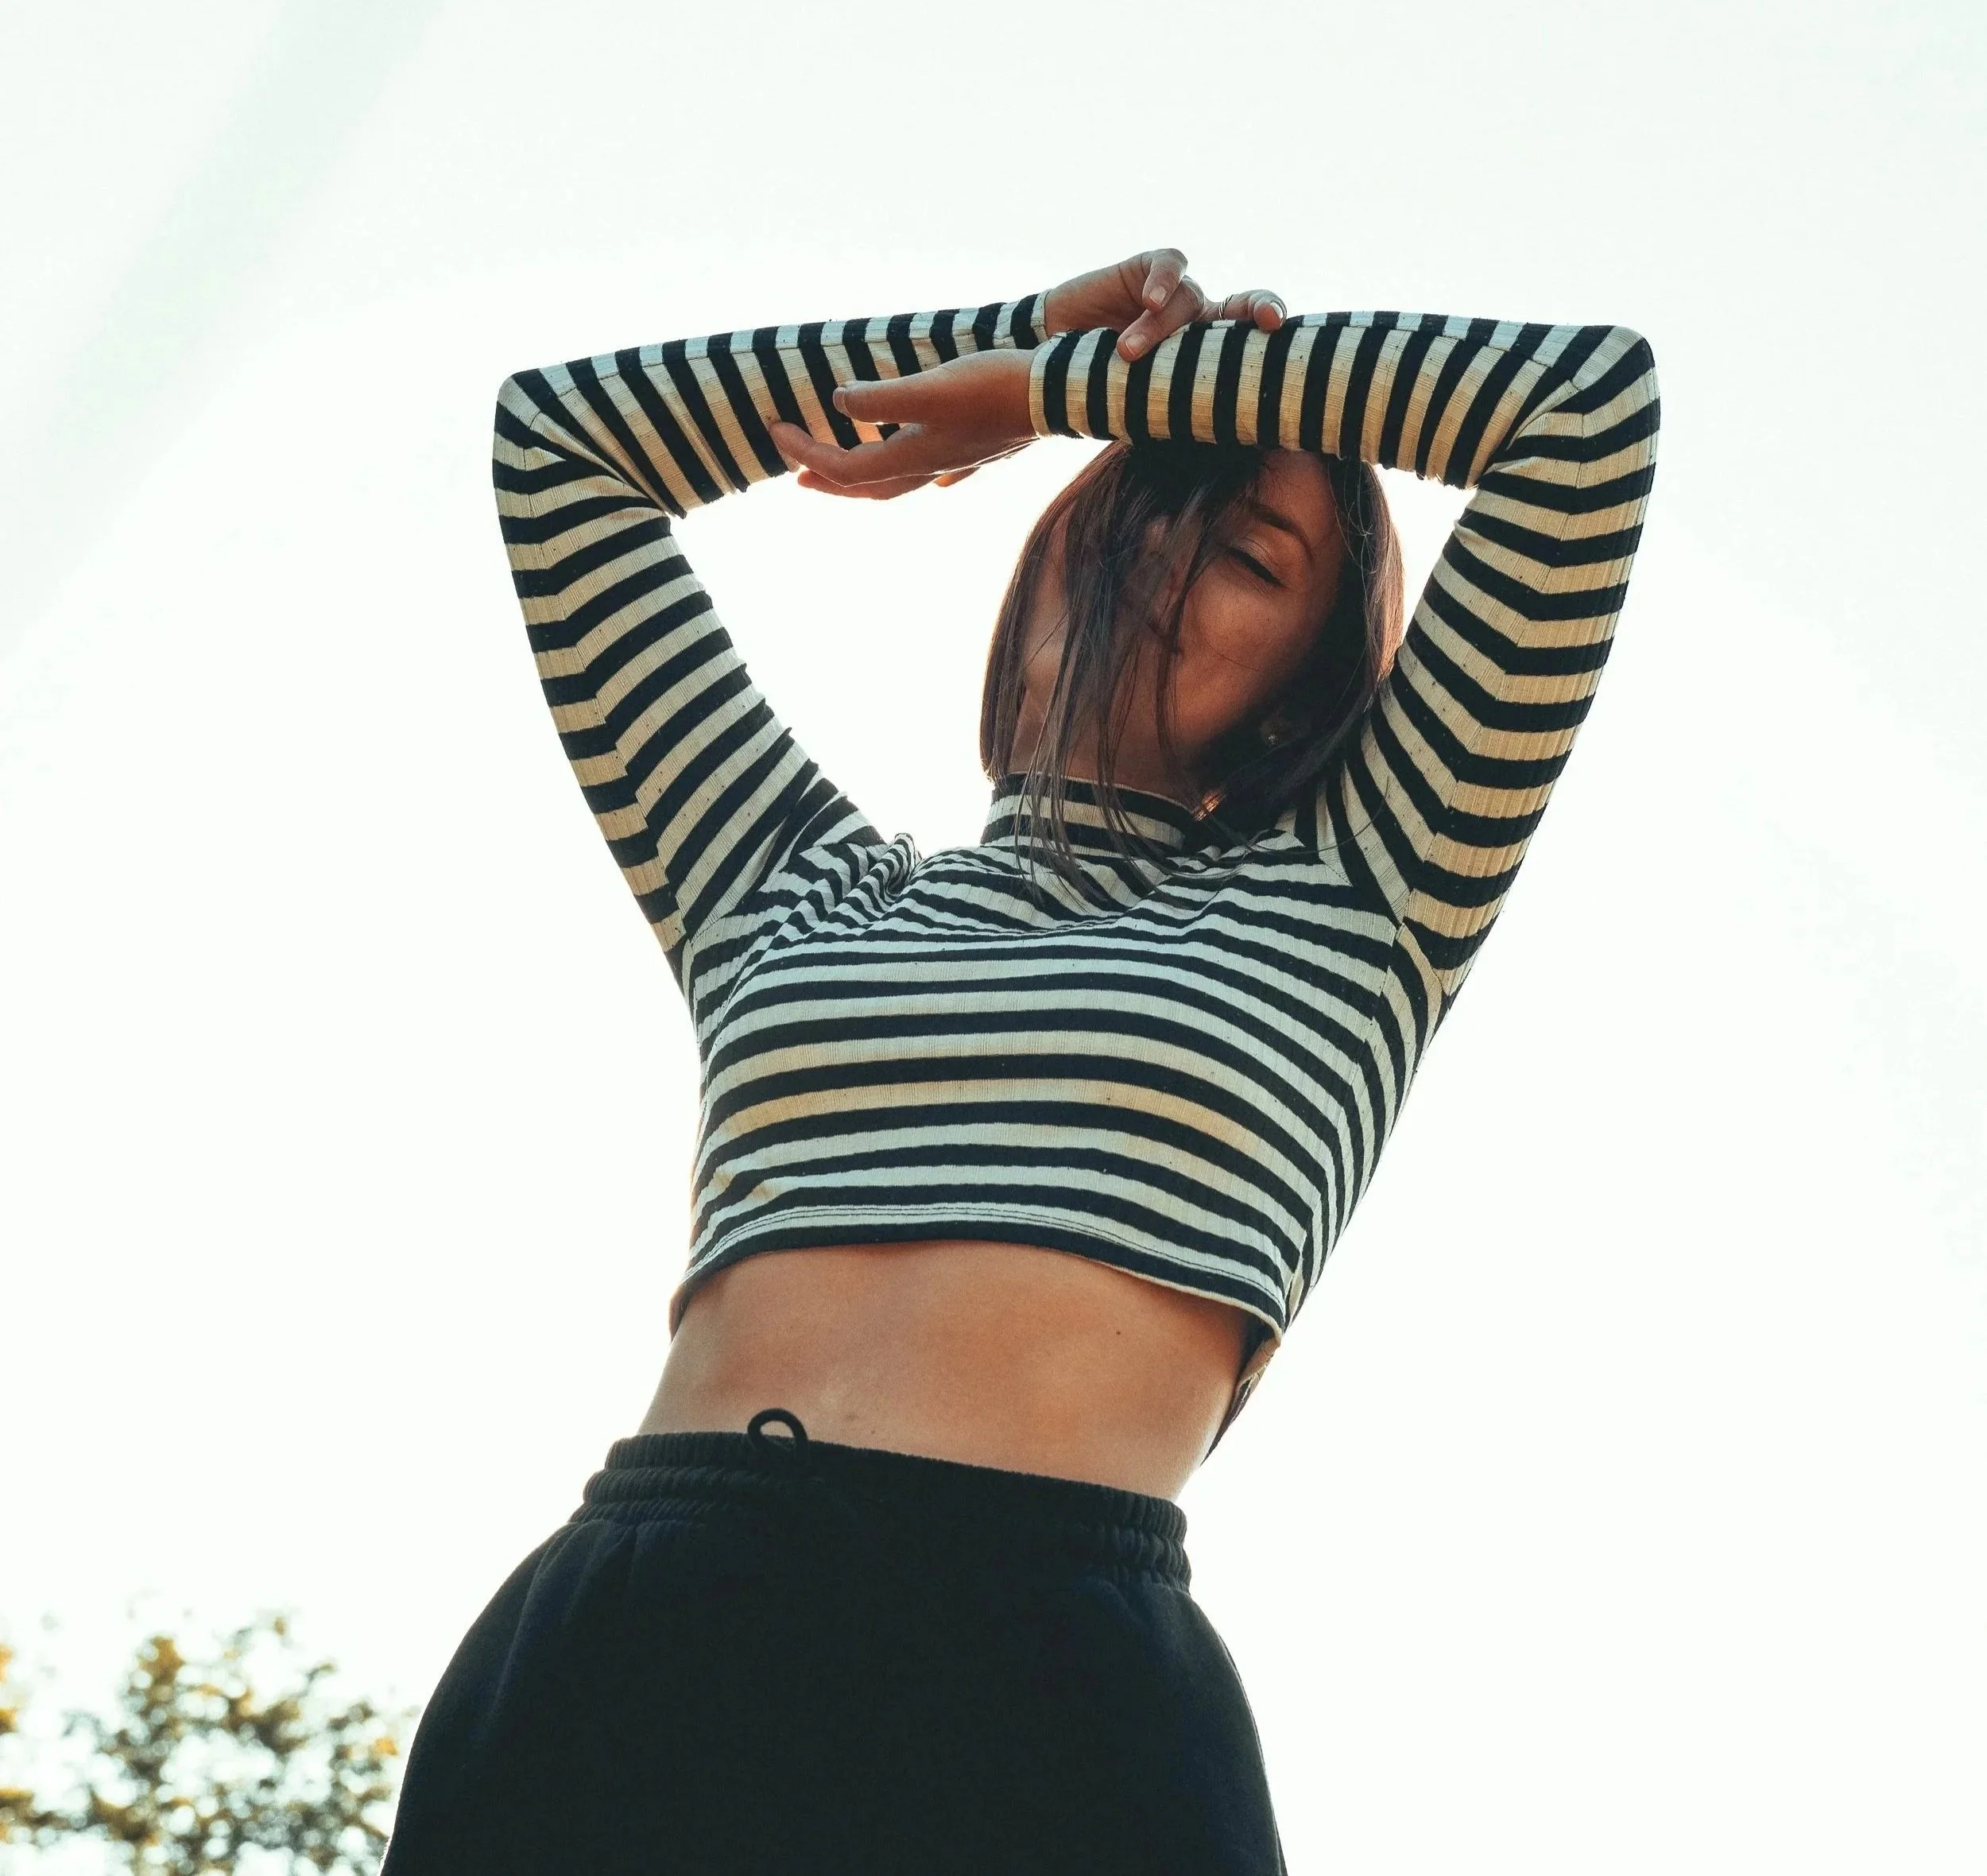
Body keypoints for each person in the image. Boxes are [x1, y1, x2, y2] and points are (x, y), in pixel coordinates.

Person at [380, 250, 1660, 1874]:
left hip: (1046, 1650)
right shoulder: (787, 880)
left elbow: (1580, 414)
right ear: (1049, 552)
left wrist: (1078, 398)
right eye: (1139, 512)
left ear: (1298, 689)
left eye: (1248, 557)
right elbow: (564, 447)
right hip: (648, 1615)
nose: (1165, 566)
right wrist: (994, 359)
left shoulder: (1365, 894)